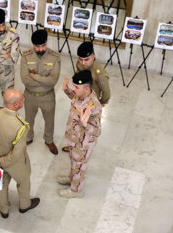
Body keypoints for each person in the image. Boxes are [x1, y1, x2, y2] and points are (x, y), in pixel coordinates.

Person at [0, 89, 40, 218]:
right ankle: (24, 205)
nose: (24, 100)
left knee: (2, 184)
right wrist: (2, 161)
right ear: (16, 105)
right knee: (24, 182)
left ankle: (4, 209)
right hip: (16, 164)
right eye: (22, 100)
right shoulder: (20, 126)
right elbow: (17, 153)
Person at [57, 70, 102, 198]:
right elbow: (74, 97)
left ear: (87, 88)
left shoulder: (93, 107)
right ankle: (72, 178)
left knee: (79, 166)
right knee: (73, 162)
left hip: (83, 144)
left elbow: (97, 131)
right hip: (74, 138)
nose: (73, 89)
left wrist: (85, 123)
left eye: (76, 87)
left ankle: (76, 190)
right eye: (73, 85)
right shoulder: (80, 94)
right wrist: (66, 90)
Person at [62, 41, 110, 152]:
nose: (83, 63)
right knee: (75, 124)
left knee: (87, 128)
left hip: (91, 103)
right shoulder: (79, 64)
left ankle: (82, 150)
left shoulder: (99, 72)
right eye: (81, 59)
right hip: (80, 99)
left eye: (86, 59)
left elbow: (106, 91)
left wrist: (101, 102)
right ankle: (72, 145)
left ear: (93, 56)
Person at [20, 29, 61, 155]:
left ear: (46, 42)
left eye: (43, 45)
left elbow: (53, 80)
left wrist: (35, 76)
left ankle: (49, 140)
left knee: (49, 121)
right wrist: (43, 79)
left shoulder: (55, 56)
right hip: (30, 95)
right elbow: (25, 79)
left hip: (47, 96)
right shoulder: (26, 56)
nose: (40, 49)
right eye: (37, 46)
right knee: (28, 120)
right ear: (33, 45)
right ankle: (28, 137)